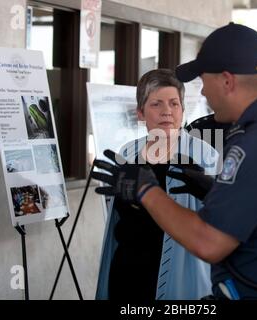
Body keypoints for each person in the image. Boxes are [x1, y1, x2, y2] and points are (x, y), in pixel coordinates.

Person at [93, 23, 257, 300]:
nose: (202, 94)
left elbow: (209, 243)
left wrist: (146, 190)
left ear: (227, 81)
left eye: (204, 81)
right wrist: (213, 191)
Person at [93, 68, 218, 300]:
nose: (167, 112)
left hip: (179, 278)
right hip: (127, 274)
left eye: (174, 104)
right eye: (156, 104)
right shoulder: (128, 153)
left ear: (182, 110)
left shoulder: (204, 156)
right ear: (140, 113)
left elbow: (219, 227)